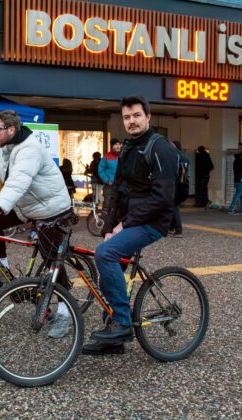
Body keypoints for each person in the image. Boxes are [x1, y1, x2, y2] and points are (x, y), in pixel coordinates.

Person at [0, 109, 74, 338]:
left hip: (52, 209)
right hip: (27, 207)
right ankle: (1, 267)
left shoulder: (30, 148)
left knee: (52, 261)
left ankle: (66, 312)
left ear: (11, 129)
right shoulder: (1, 152)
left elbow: (19, 180)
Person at [84, 95, 178, 356]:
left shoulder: (161, 149)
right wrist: (107, 228)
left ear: (148, 116)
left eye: (137, 115)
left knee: (107, 254)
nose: (132, 121)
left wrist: (124, 225)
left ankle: (122, 323)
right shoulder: (128, 147)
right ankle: (112, 339)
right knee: (107, 259)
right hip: (130, 219)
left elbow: (163, 198)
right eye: (127, 117)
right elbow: (117, 191)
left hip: (153, 222)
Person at [169, 140, 189, 237]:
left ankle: (178, 230)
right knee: (174, 205)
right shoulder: (184, 157)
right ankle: (171, 227)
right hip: (183, 184)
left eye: (171, 145)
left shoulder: (175, 156)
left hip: (175, 184)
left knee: (174, 206)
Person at [228, 147, 242, 214]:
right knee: (238, 195)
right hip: (240, 180)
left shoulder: (238, 160)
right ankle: (231, 209)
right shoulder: (240, 161)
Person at [99, 138, 121, 204]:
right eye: (116, 144)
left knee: (121, 205)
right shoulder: (106, 156)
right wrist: (107, 180)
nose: (118, 146)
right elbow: (101, 170)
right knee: (107, 205)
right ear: (111, 146)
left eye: (119, 144)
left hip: (122, 185)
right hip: (110, 186)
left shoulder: (123, 156)